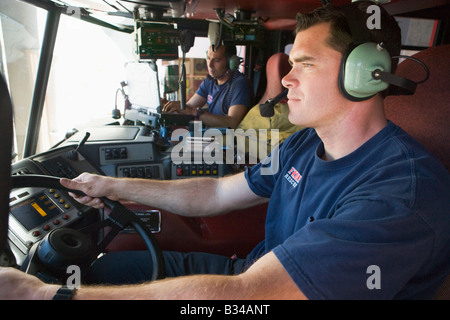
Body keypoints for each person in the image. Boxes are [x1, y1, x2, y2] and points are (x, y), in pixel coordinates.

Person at [1, 1, 449, 300]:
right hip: (247, 272)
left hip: (255, 291)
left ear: (366, 75)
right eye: (288, 64)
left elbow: (248, 297)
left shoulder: (401, 194)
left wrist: (40, 296)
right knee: (97, 269)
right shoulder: (306, 142)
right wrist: (112, 185)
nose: (287, 80)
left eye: (305, 65)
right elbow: (216, 194)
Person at [162, 44, 253, 129]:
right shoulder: (210, 82)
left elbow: (233, 122)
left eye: (216, 60)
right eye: (208, 58)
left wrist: (195, 112)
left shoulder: (240, 84)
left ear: (230, 62)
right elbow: (188, 107)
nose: (210, 65)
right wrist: (170, 108)